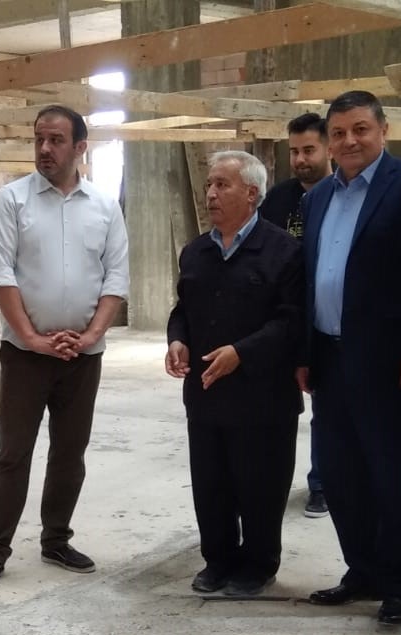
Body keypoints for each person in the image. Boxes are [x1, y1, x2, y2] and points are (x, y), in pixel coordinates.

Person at [296, 91, 401, 628]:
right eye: (338, 133)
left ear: (384, 130)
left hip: (390, 361)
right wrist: (304, 352)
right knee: (341, 474)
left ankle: (399, 584)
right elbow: (309, 279)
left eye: (360, 129)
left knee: (394, 473)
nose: (349, 141)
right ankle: (361, 569)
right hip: (328, 355)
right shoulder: (318, 197)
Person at [0, 105, 129, 592]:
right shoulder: (12, 200)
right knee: (14, 453)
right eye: (39, 138)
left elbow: (116, 277)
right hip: (25, 355)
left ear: (80, 147)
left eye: (56, 140)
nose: (44, 148)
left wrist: (91, 336)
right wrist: (33, 338)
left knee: (70, 452)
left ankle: (56, 539)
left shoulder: (104, 206)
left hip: (83, 356)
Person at [167, 151, 303, 596]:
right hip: (206, 392)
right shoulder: (196, 252)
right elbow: (183, 310)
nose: (210, 193)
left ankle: (258, 565)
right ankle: (218, 559)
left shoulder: (283, 251)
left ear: (251, 193)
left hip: (262, 395)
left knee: (260, 484)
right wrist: (177, 340)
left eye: (222, 185)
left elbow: (290, 322)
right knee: (211, 484)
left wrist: (241, 353)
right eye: (209, 184)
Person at [257, 111, 331, 519]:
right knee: (277, 404)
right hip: (285, 313)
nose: (301, 160)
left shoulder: (340, 194)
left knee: (326, 406)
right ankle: (268, 482)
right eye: (295, 151)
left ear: (328, 148)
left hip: (325, 316)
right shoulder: (278, 198)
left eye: (309, 150)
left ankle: (322, 484)